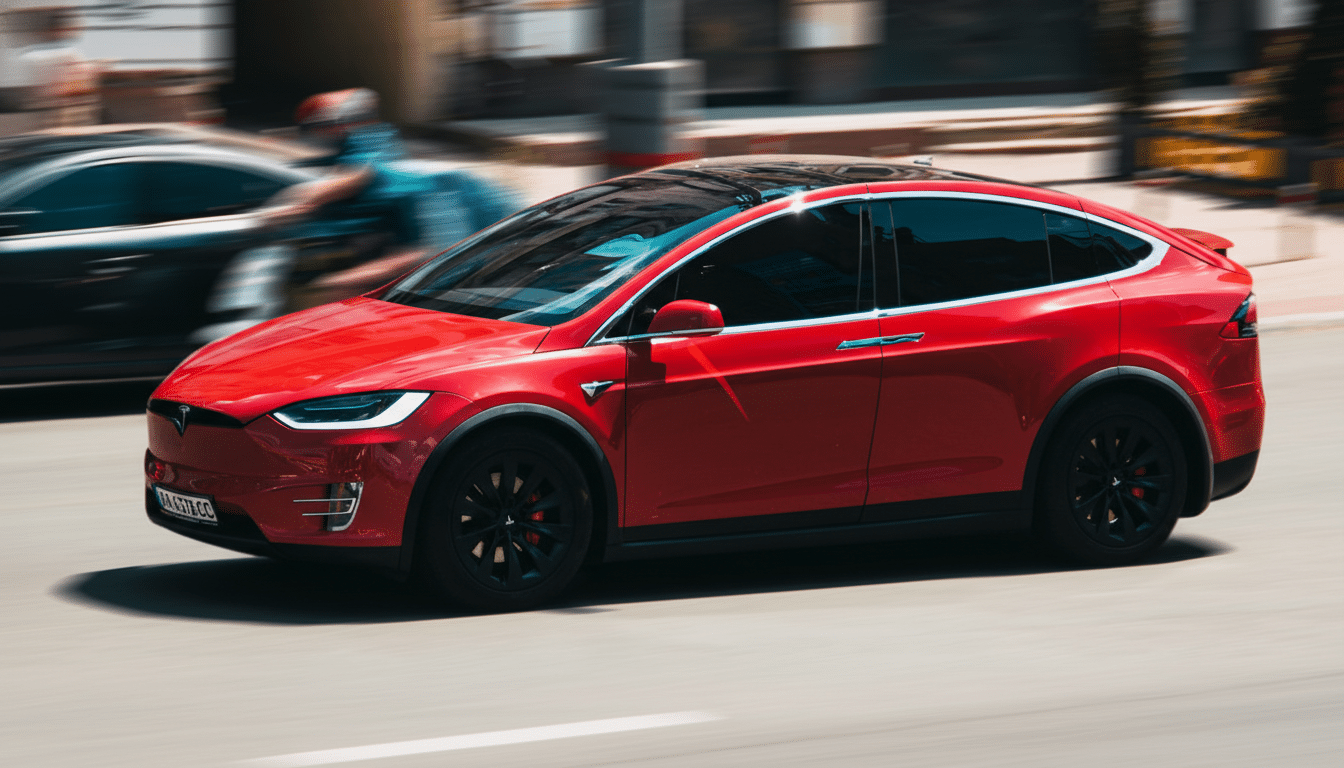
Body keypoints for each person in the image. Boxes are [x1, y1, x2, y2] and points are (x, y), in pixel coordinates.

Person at [261, 88, 518, 307]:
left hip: (480, 234)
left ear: (340, 123)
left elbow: (355, 176)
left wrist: (299, 201)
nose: (315, 134)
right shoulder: (355, 149)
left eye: (319, 125)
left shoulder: (388, 164)